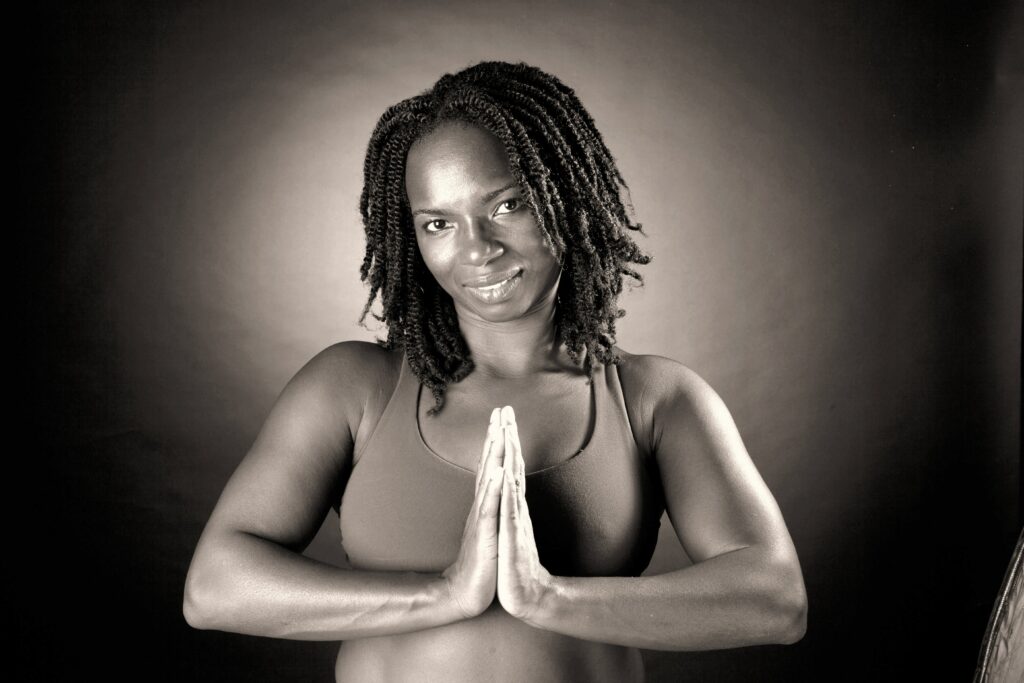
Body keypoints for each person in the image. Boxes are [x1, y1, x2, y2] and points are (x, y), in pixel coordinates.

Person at [183, 60, 808, 682]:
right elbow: (214, 590)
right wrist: (448, 594)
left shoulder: (654, 399)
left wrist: (545, 597)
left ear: (567, 197)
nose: (478, 249)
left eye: (508, 205)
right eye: (438, 223)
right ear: (411, 237)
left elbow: (775, 601)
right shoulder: (352, 387)